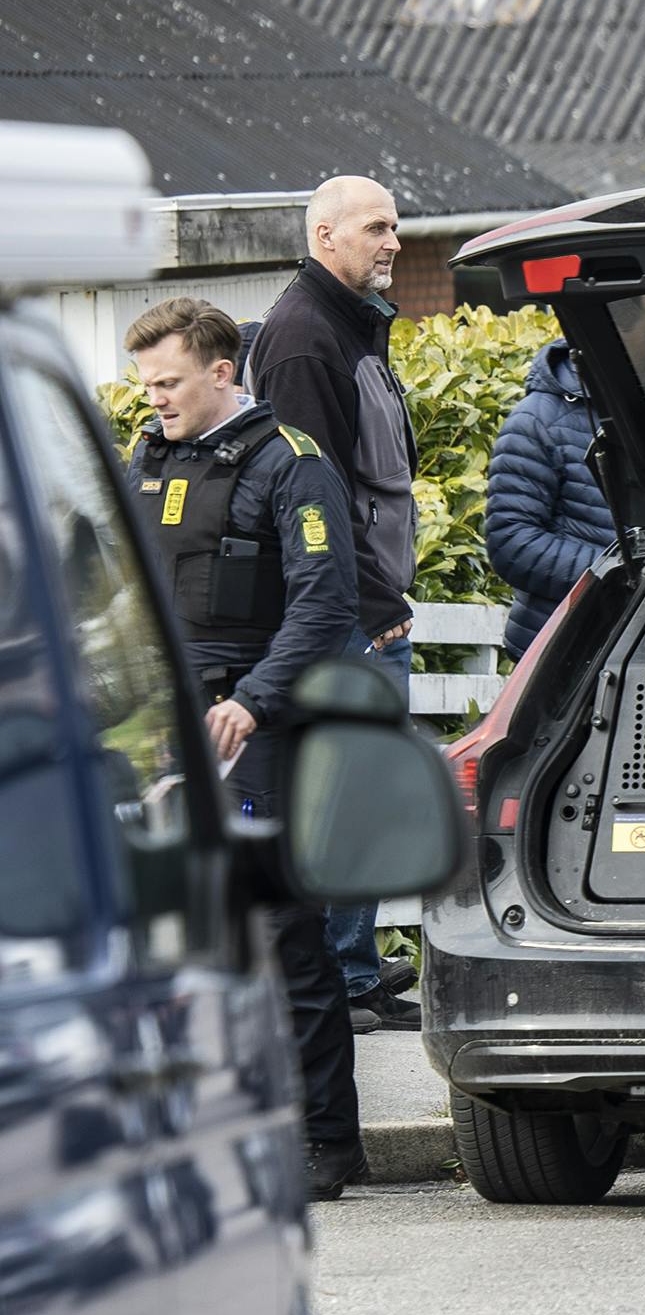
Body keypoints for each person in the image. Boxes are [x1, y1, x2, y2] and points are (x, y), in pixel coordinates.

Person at [121, 296, 369, 1196]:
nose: (154, 398)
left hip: (253, 725)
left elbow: (327, 601)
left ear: (223, 373)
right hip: (166, 727)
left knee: (279, 934)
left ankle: (324, 1141)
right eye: (145, 383)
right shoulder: (147, 458)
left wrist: (255, 703)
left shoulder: (288, 463)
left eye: (170, 381)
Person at [249, 173, 418, 1025]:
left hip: (369, 606)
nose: (393, 243)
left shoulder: (349, 324)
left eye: (395, 227)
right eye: (376, 228)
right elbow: (312, 499)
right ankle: (341, 980)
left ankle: (353, 964)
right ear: (325, 236)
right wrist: (374, 604)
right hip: (355, 614)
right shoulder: (304, 339)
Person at [486, 327, 624, 655]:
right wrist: (617, 571)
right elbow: (512, 544)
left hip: (635, 640)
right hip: (560, 650)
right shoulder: (537, 419)